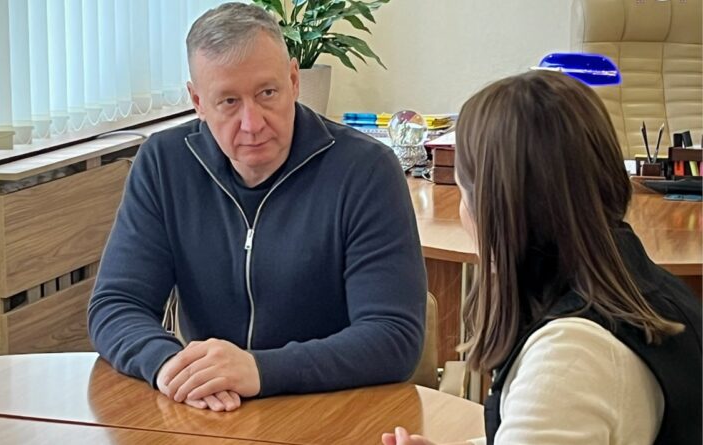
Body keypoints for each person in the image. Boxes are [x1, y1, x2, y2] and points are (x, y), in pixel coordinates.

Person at [88, 2, 426, 413]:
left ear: (294, 81)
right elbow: (115, 304)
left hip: (334, 410)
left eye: (267, 93)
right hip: (212, 415)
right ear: (197, 101)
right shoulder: (165, 163)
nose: (252, 123)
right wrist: (170, 367)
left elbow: (393, 336)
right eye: (228, 101)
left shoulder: (365, 170)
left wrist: (258, 369)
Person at [383, 70, 702, 445]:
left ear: (492, 207)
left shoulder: (570, 357)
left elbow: (555, 409)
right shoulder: (646, 291)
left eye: (463, 190)